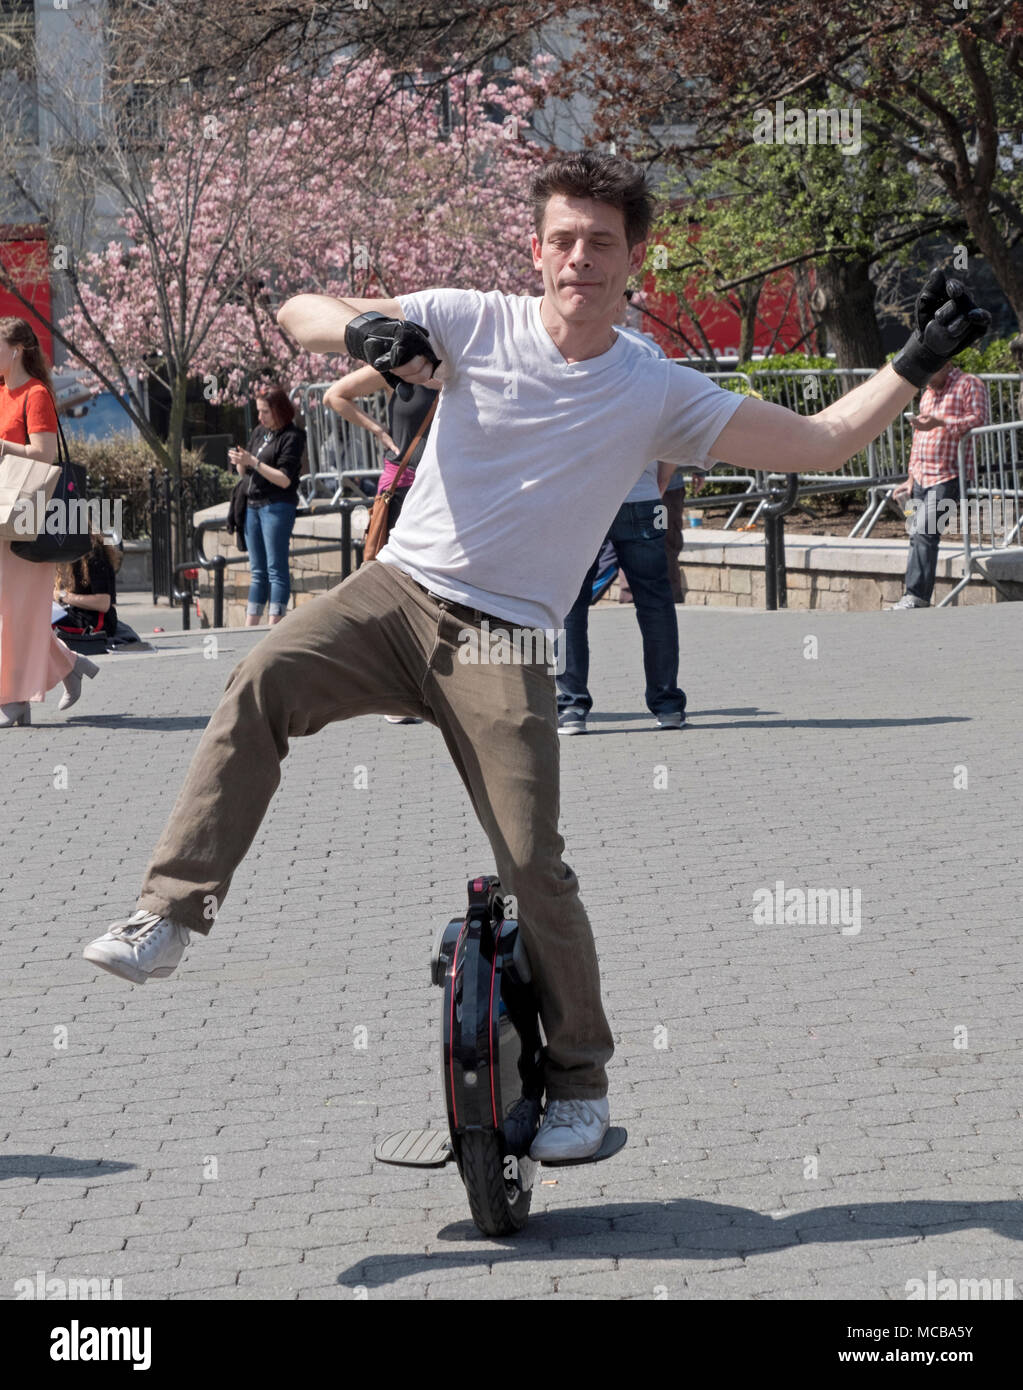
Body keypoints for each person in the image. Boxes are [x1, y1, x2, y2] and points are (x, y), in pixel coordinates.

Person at [82, 153, 989, 1161]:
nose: (579, 257)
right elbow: (301, 311)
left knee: (530, 862)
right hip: (396, 593)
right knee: (259, 675)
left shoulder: (652, 387)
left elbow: (821, 441)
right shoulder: (475, 320)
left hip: (508, 631)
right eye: (563, 238)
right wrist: (364, 329)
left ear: (633, 259)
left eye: (602, 241)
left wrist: (917, 359)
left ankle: (579, 1083)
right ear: (537, 250)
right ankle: (167, 912)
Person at [557, 295, 687, 733]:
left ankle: (571, 705)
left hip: (582, 501)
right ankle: (667, 703)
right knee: (655, 601)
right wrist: (659, 482)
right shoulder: (650, 353)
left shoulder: (569, 353)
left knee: (571, 605)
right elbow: (672, 431)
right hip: (642, 497)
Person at [323, 366, 441, 725]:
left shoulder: (464, 366)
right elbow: (335, 396)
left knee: (436, 592)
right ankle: (394, 693)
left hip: (443, 491)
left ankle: (430, 688)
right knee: (393, 587)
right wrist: (377, 429)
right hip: (401, 486)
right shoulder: (403, 368)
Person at [0, 317, 93, 727]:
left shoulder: (35, 394)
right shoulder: (1, 391)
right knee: (9, 611)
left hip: (28, 514)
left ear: (16, 349)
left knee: (14, 612)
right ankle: (69, 665)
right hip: (4, 508)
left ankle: (14, 701)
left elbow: (45, 455)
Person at [888, 361, 989, 608]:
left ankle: (915, 596)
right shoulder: (928, 392)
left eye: (930, 373)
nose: (927, 380)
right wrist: (910, 478)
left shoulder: (968, 384)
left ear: (945, 364)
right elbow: (919, 437)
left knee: (925, 530)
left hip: (949, 475)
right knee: (918, 533)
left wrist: (941, 422)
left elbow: (979, 420)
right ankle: (914, 597)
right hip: (922, 476)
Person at [228, 386, 306, 626]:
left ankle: (275, 624)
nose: (260, 417)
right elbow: (246, 470)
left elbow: (284, 479)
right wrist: (242, 462)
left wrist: (254, 461)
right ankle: (250, 625)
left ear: (279, 411)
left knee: (275, 568)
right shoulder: (260, 432)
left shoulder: (292, 436)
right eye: (258, 411)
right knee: (257, 570)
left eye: (265, 412)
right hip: (252, 504)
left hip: (276, 505)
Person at [52, 532, 121, 707]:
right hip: (77, 613)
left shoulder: (95, 558)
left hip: (93, 621)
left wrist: (63, 596)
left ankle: (72, 666)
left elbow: (104, 603)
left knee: (39, 628)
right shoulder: (73, 555)